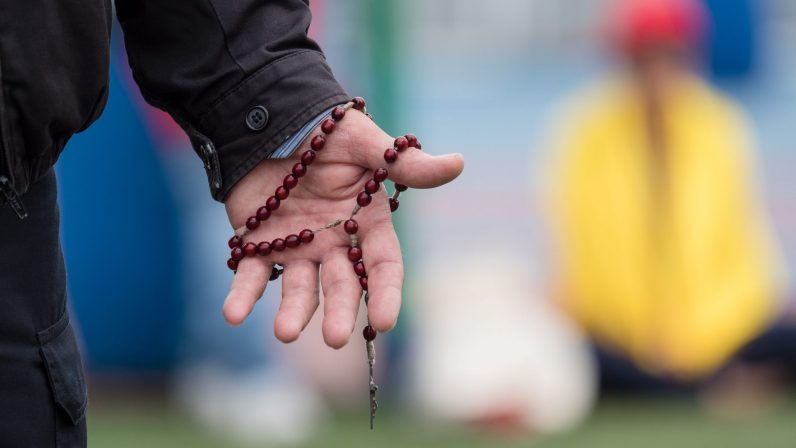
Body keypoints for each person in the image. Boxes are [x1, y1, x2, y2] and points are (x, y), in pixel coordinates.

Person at [0, 1, 464, 446]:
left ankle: (240, 367)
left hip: (16, 193)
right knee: (212, 227)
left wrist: (274, 103)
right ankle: (239, 367)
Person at [544, 0, 785, 387]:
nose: (658, 73)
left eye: (670, 56)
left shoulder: (717, 125)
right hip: (622, 339)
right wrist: (651, 339)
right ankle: (720, 386)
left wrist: (696, 340)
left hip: (716, 333)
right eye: (644, 58)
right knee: (573, 356)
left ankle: (709, 382)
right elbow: (592, 260)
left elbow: (739, 253)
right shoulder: (585, 132)